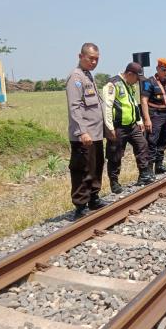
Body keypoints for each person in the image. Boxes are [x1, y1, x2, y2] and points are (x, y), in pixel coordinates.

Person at [66, 42, 109, 218]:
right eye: (90, 58)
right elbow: (74, 107)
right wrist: (82, 132)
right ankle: (81, 205)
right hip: (84, 135)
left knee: (96, 167)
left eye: (96, 59)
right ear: (80, 56)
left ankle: (93, 198)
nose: (93, 62)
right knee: (82, 169)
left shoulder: (88, 76)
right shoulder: (76, 78)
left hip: (96, 133)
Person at [103, 62, 155, 194]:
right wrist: (109, 128)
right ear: (130, 74)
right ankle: (114, 182)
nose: (138, 81)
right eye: (137, 78)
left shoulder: (129, 85)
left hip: (132, 125)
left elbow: (132, 104)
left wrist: (139, 120)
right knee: (115, 155)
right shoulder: (112, 84)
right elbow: (107, 107)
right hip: (118, 126)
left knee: (142, 145)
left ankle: (144, 174)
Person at [140, 58, 166, 174]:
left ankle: (159, 166)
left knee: (163, 140)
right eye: (164, 70)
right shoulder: (149, 82)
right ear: (157, 69)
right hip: (154, 114)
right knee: (152, 141)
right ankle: (149, 170)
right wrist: (147, 119)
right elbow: (143, 100)